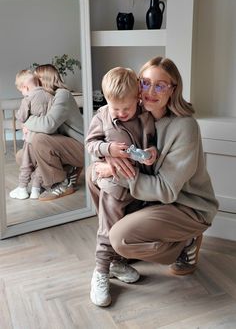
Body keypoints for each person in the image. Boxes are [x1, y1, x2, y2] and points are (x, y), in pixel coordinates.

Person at [87, 56, 219, 307]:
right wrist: (106, 159)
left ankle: (184, 244)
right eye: (146, 83)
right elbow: (100, 146)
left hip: (185, 205)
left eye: (160, 85)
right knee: (96, 178)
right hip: (152, 200)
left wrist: (116, 172)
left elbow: (167, 190)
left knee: (121, 238)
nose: (150, 91)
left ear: (173, 90)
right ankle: (113, 259)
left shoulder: (185, 127)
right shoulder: (135, 116)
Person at [85, 67, 157, 307]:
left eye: (127, 107)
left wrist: (150, 153)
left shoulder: (146, 117)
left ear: (138, 96)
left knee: (127, 228)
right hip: (114, 186)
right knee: (108, 228)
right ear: (107, 101)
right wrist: (108, 150)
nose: (122, 113)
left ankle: (117, 263)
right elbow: (91, 144)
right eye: (116, 108)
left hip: (138, 185)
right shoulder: (103, 116)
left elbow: (154, 144)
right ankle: (101, 272)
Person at [15, 64, 84, 201]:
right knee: (21, 156)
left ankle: (61, 184)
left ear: (43, 79)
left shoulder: (63, 94)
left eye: (36, 79)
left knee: (40, 139)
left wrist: (26, 121)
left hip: (81, 147)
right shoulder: (46, 97)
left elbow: (48, 125)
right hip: (62, 145)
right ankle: (67, 171)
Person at [10, 69, 54, 200]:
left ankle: (22, 188)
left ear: (25, 87)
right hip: (47, 138)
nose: (22, 93)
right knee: (41, 163)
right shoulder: (50, 96)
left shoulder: (28, 98)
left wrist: (21, 117)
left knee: (27, 163)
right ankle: (35, 189)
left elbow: (22, 117)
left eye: (21, 91)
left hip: (31, 139)